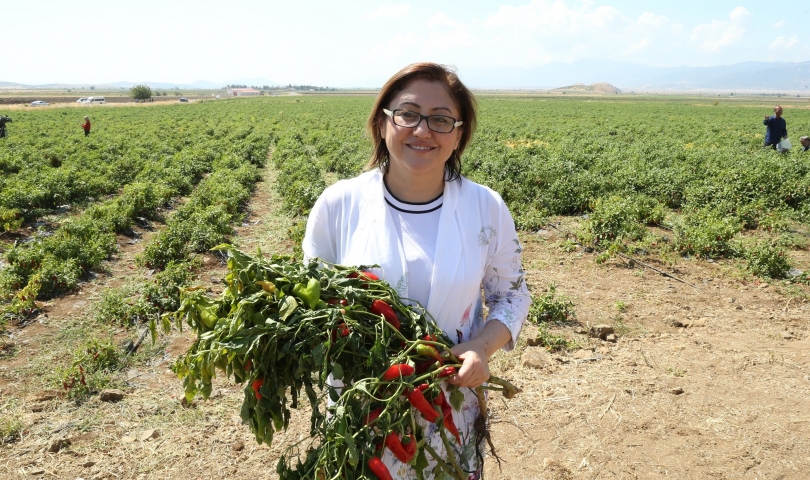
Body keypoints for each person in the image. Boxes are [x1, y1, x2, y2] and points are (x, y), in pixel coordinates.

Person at [302, 62, 530, 479]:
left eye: (441, 119)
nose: (423, 131)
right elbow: (313, 304)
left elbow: (512, 295)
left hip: (451, 404)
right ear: (382, 122)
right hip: (367, 405)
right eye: (408, 114)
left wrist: (482, 346)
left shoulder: (487, 209)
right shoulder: (338, 206)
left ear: (459, 134)